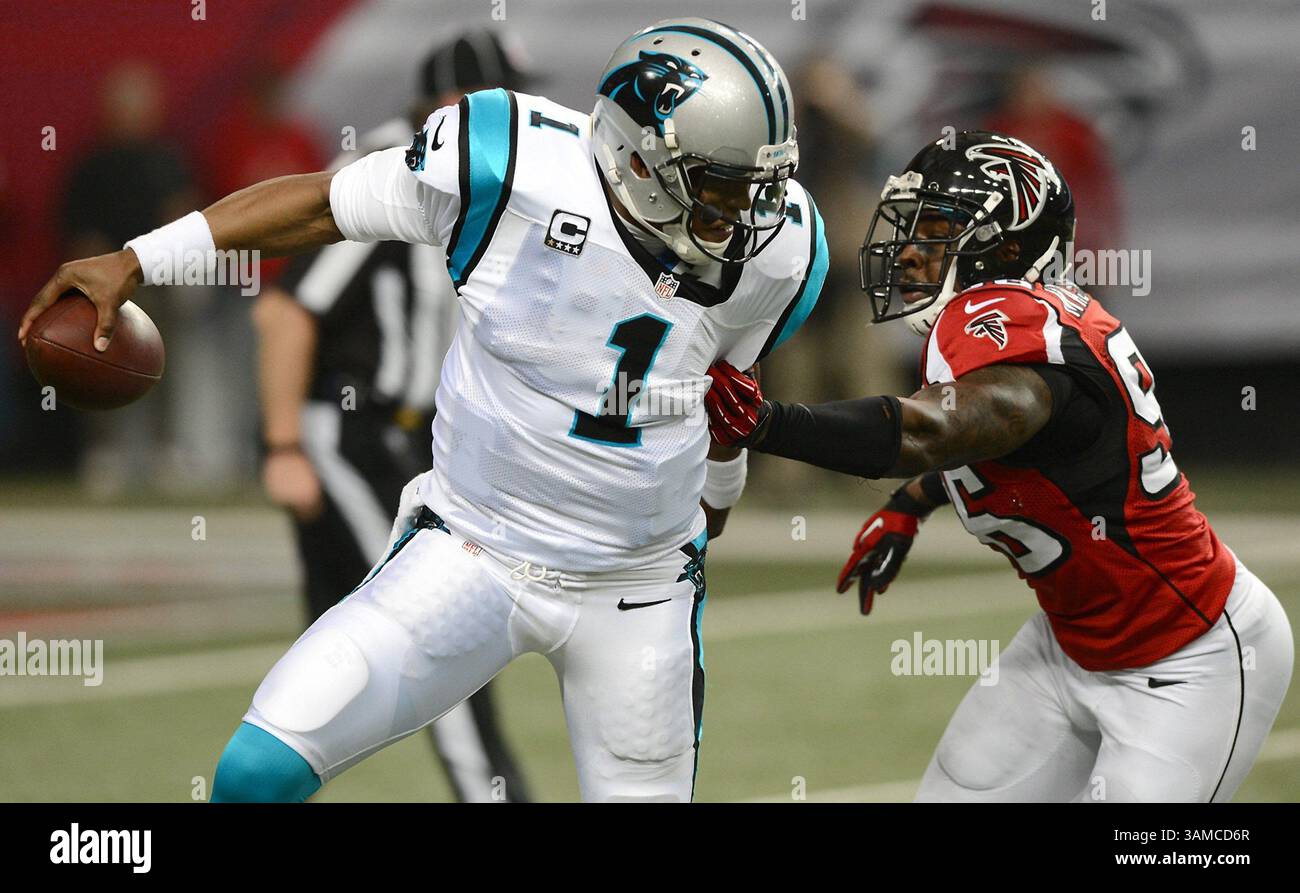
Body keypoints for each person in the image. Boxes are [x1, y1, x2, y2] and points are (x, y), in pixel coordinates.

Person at [21, 18, 826, 803]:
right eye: (719, 189)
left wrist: (717, 502)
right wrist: (137, 259)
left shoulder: (781, 253)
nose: (744, 219)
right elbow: (318, 205)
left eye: (759, 189)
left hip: (640, 587)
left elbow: (725, 401)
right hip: (475, 550)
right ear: (639, 156)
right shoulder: (507, 163)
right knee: (251, 774)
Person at [703, 131, 1293, 802]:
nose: (913, 251)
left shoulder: (1022, 344)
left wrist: (765, 424)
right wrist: (913, 502)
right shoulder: (1016, 330)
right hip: (1067, 644)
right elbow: (1002, 445)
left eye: (937, 229)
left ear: (1006, 249)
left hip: (1193, 659)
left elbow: (934, 429)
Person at [251, 31, 536, 803]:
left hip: (406, 439)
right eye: (508, 99)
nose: (525, 119)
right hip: (347, 431)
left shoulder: (484, 184)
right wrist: (283, 444)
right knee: (434, 631)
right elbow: (284, 311)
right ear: (458, 105)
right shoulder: (392, 170)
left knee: (335, 648)